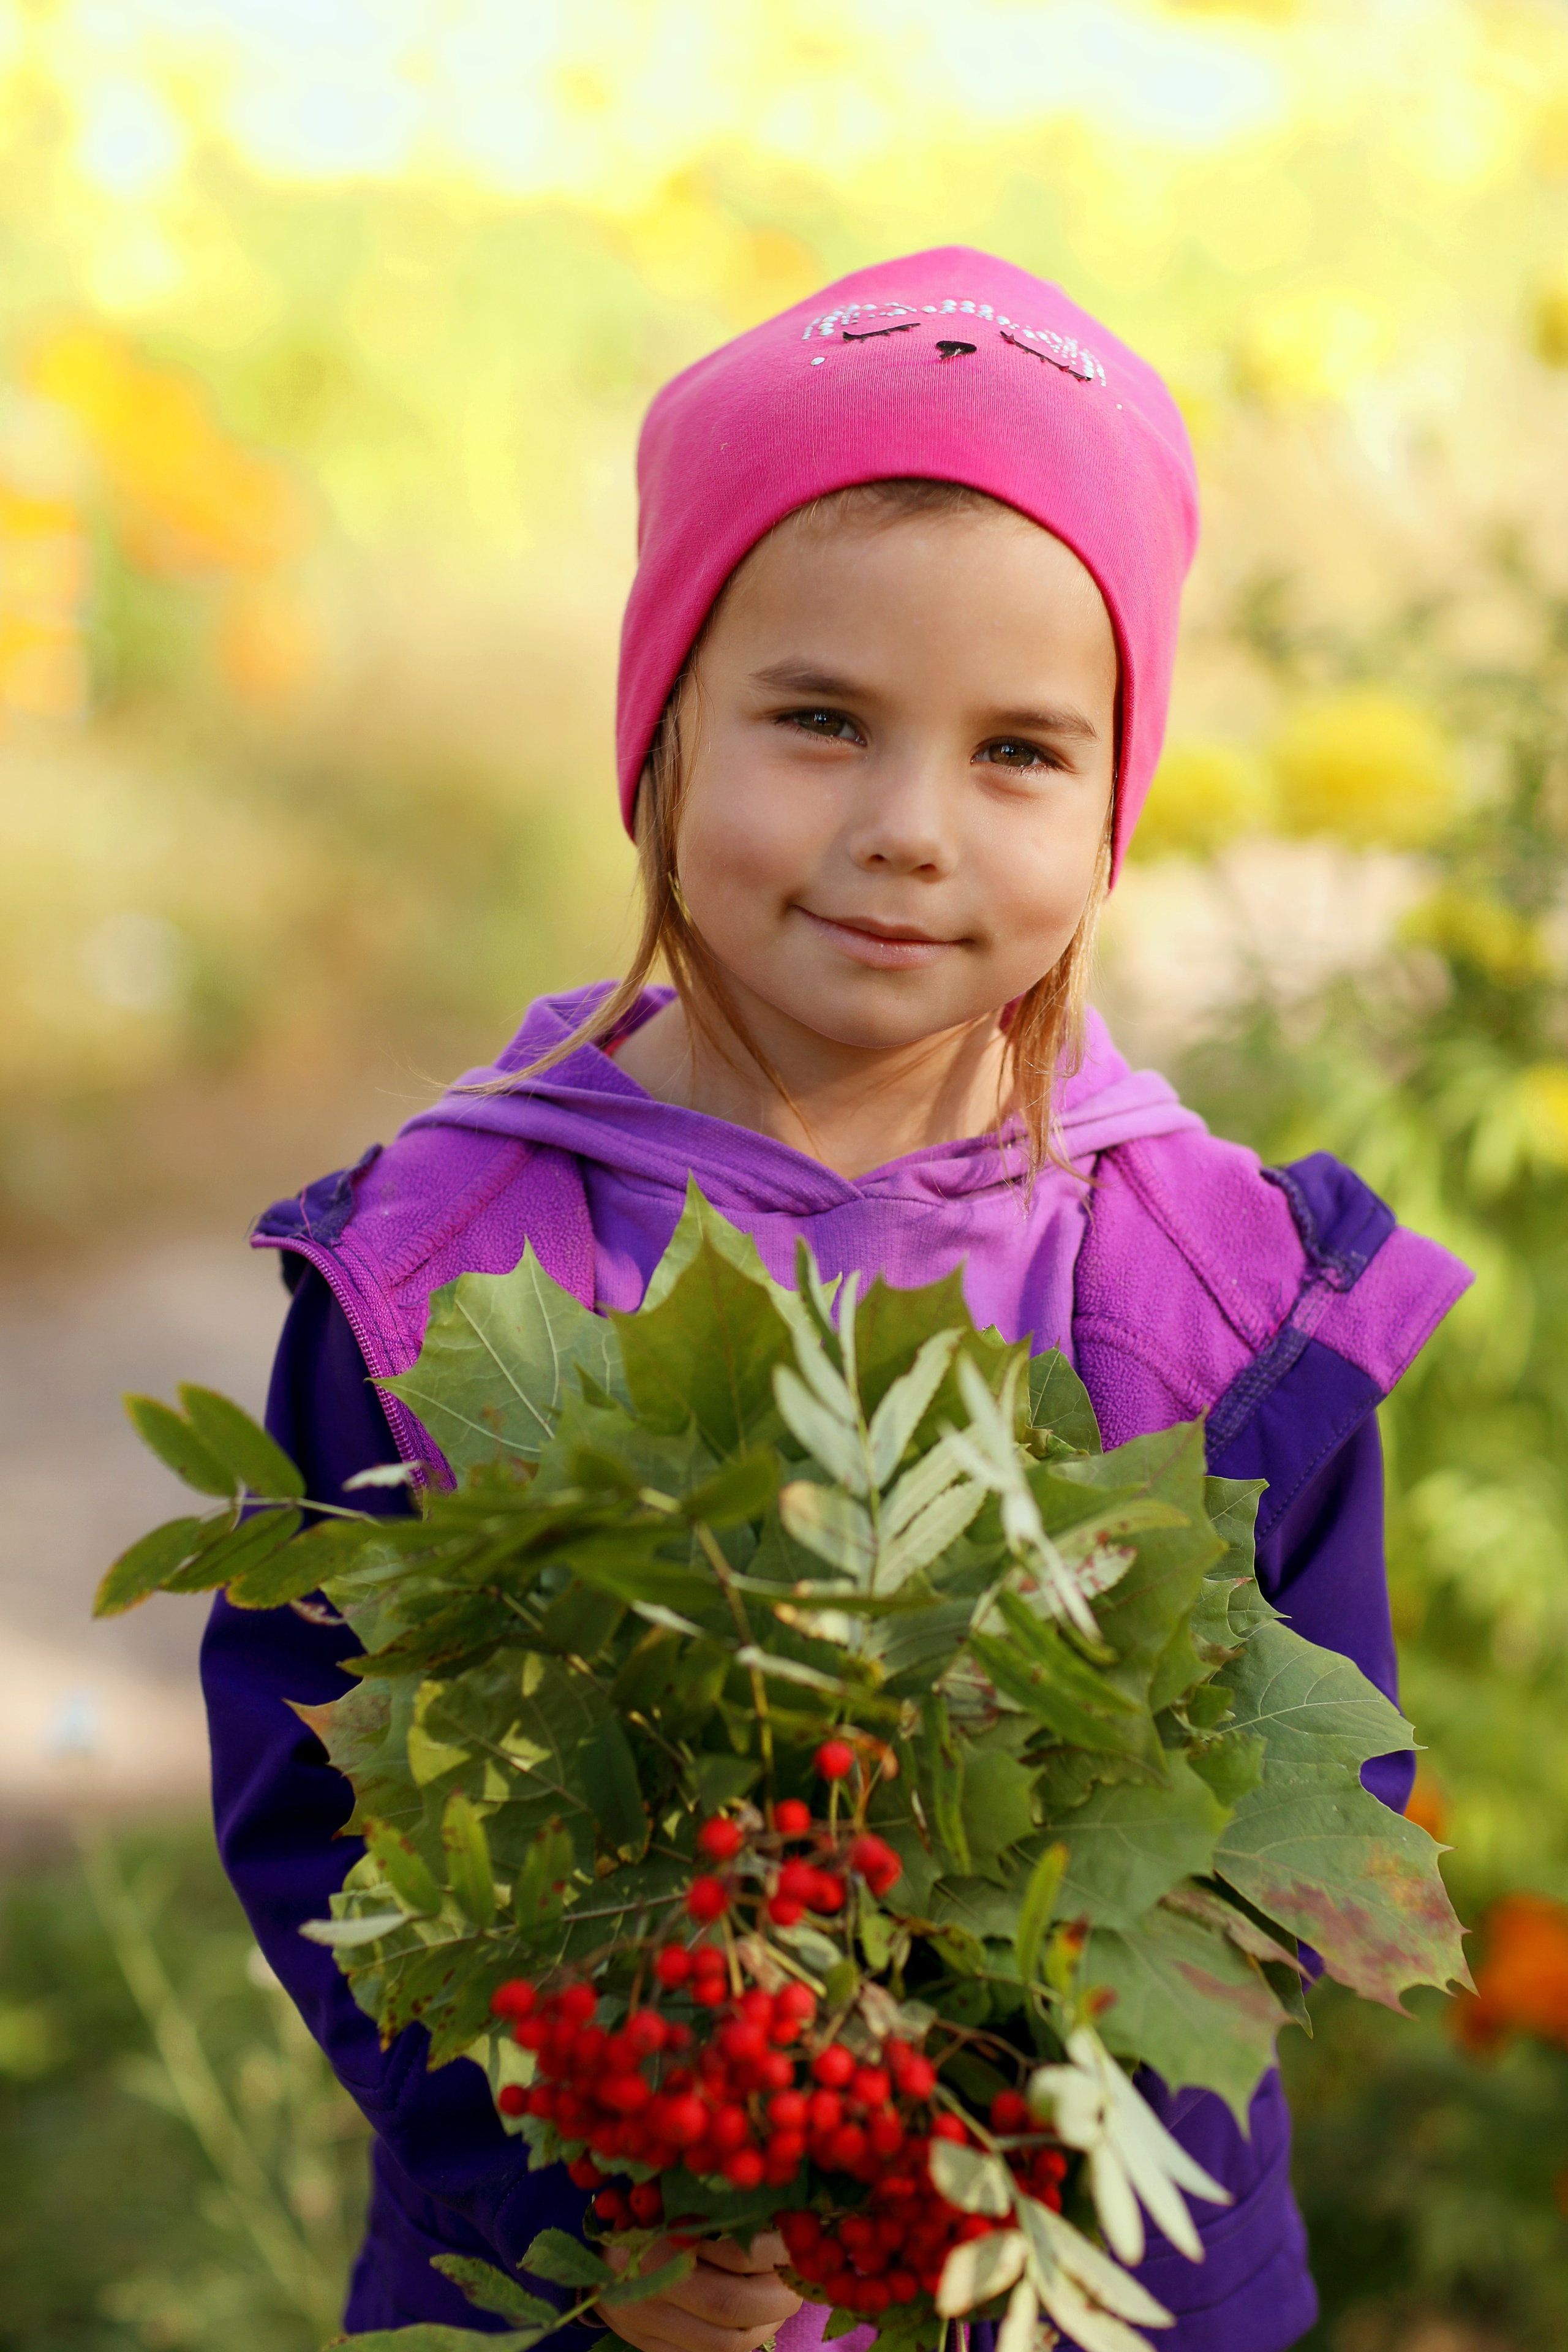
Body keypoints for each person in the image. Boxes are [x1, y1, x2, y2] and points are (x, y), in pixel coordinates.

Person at [201, 247, 1470, 2352]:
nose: (904, 831)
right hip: (587, 2283)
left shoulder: (1211, 1284)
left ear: (1116, 805)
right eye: (819, 720)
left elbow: (1310, 1811)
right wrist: (612, 2203)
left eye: (1019, 754)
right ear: (661, 739)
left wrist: (984, 2154)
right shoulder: (448, 1262)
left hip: (1094, 2282)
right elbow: (323, 1812)